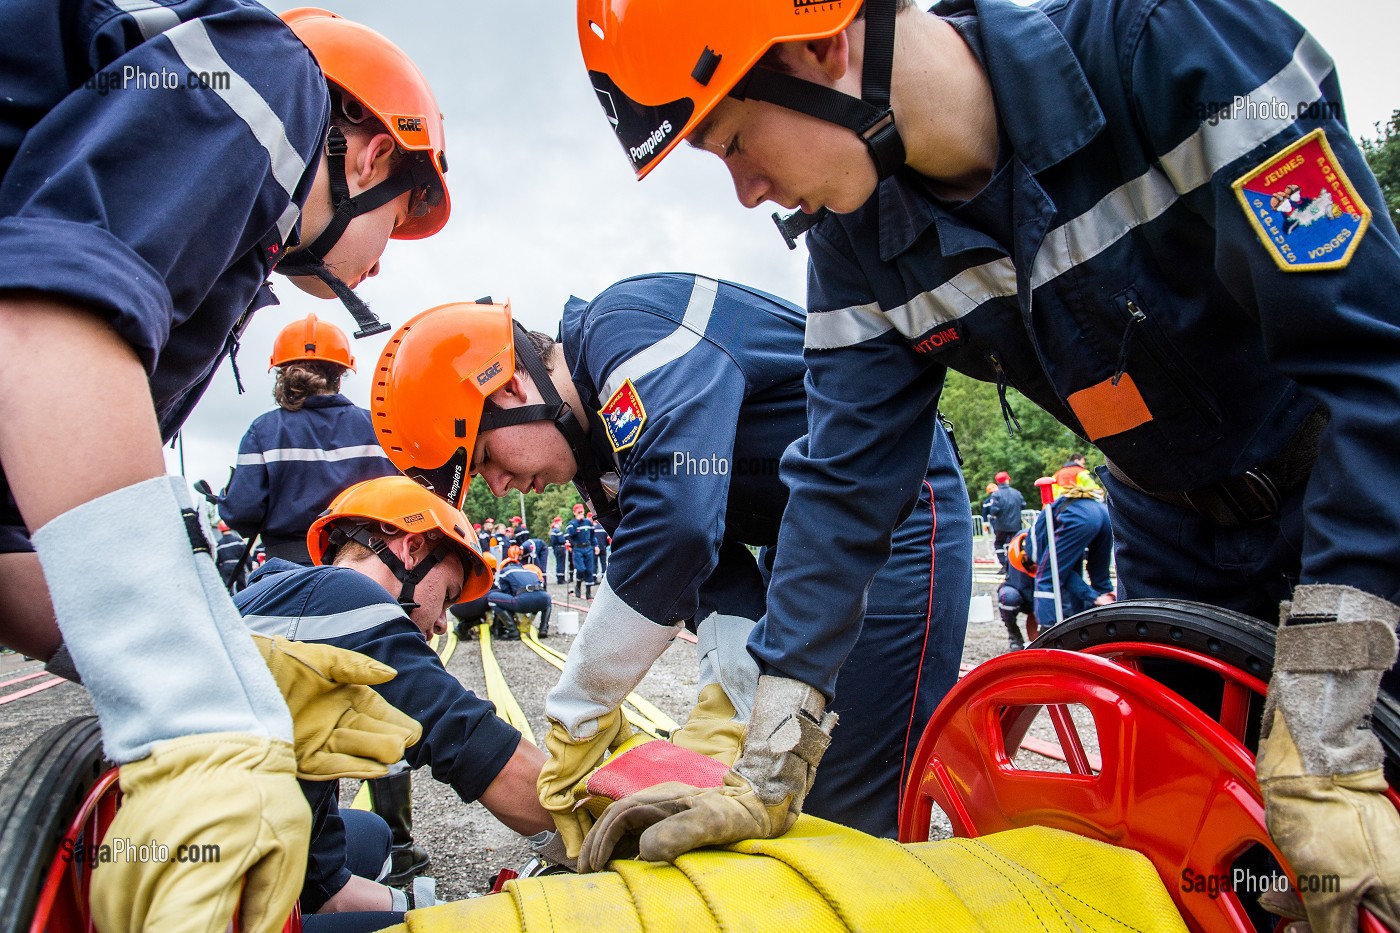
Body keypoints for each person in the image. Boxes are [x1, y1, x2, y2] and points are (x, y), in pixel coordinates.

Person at [574, 0, 1400, 920]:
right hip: (1172, 531)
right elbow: (842, 494)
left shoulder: (1175, 48)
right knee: (1219, 864)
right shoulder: (856, 249)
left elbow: (1376, 366)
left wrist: (1328, 701)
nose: (746, 191)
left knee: (1364, 832)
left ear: (820, 44)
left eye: (730, 142)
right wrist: (765, 766)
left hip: (1362, 492)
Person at [0, 4, 451, 929]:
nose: (378, 264)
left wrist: (227, 660)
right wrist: (191, 713)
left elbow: (11, 538)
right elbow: (49, 310)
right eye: (400, 220)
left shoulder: (207, 236)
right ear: (370, 156)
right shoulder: (273, 73)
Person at [367, 281, 970, 854]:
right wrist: (731, 700)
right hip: (807, 532)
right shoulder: (603, 466)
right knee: (775, 792)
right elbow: (714, 575)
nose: (497, 486)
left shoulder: (626, 330)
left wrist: (579, 706)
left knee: (842, 796)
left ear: (507, 390)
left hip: (894, 502)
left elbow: (679, 523)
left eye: (482, 459)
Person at [236, 476, 556, 919]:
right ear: (411, 549)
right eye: (445, 596)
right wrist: (594, 823)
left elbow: (320, 883)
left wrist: (418, 907)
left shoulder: (281, 597)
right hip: (223, 898)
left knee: (369, 833)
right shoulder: (344, 597)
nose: (443, 622)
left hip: (222, 845)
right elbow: (471, 743)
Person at [217, 313, 398, 564]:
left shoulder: (263, 431)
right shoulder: (380, 427)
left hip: (288, 572)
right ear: (341, 372)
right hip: (370, 570)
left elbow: (242, 512)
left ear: (282, 371)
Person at [1030, 488, 1115, 627]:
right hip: (1103, 512)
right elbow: (1068, 573)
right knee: (1101, 578)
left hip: (1080, 517)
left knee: (1046, 578)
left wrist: (1093, 596)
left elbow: (1055, 573)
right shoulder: (1047, 523)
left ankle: (1046, 633)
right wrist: (1096, 596)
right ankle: (1110, 622)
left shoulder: (1034, 542)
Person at [491, 549, 555, 639]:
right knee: (547, 599)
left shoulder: (505, 571)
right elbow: (541, 586)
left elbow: (506, 592)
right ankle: (543, 628)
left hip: (523, 601)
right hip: (543, 598)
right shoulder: (529, 571)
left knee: (492, 598)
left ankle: (513, 631)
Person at [998, 530, 1037, 651]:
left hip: (1041, 593)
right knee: (1007, 598)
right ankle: (1014, 636)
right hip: (1020, 590)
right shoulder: (1019, 542)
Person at [986, 471, 1026, 573]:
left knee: (999, 544)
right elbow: (1023, 505)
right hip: (1016, 525)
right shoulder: (1017, 493)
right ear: (1007, 480)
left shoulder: (996, 495)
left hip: (1001, 525)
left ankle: (1004, 564)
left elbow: (994, 510)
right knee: (1014, 544)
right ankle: (1014, 565)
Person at [565, 502, 597, 599]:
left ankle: (588, 593)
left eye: (581, 512)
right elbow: (568, 536)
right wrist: (573, 545)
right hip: (578, 549)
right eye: (578, 513)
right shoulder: (572, 524)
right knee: (580, 569)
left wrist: (595, 546)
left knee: (589, 570)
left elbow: (592, 536)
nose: (580, 514)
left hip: (588, 548)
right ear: (575, 513)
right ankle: (578, 586)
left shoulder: (588, 522)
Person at [215, 519, 250, 591]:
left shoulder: (219, 544)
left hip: (225, 568)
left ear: (220, 530)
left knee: (227, 588)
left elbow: (217, 560)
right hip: (238, 566)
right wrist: (250, 567)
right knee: (242, 588)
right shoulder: (238, 541)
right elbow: (246, 554)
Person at [549, 516, 569, 585]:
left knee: (559, 563)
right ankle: (561, 579)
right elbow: (561, 540)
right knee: (561, 564)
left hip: (556, 548)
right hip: (560, 548)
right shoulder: (557, 531)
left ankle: (560, 578)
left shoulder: (553, 531)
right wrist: (565, 541)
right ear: (558, 522)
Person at [591, 512, 610, 577]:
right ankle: (603, 577)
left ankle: (594, 578)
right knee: (603, 563)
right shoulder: (604, 528)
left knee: (594, 564)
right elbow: (607, 539)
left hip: (595, 548)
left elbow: (591, 538)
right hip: (603, 547)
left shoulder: (593, 529)